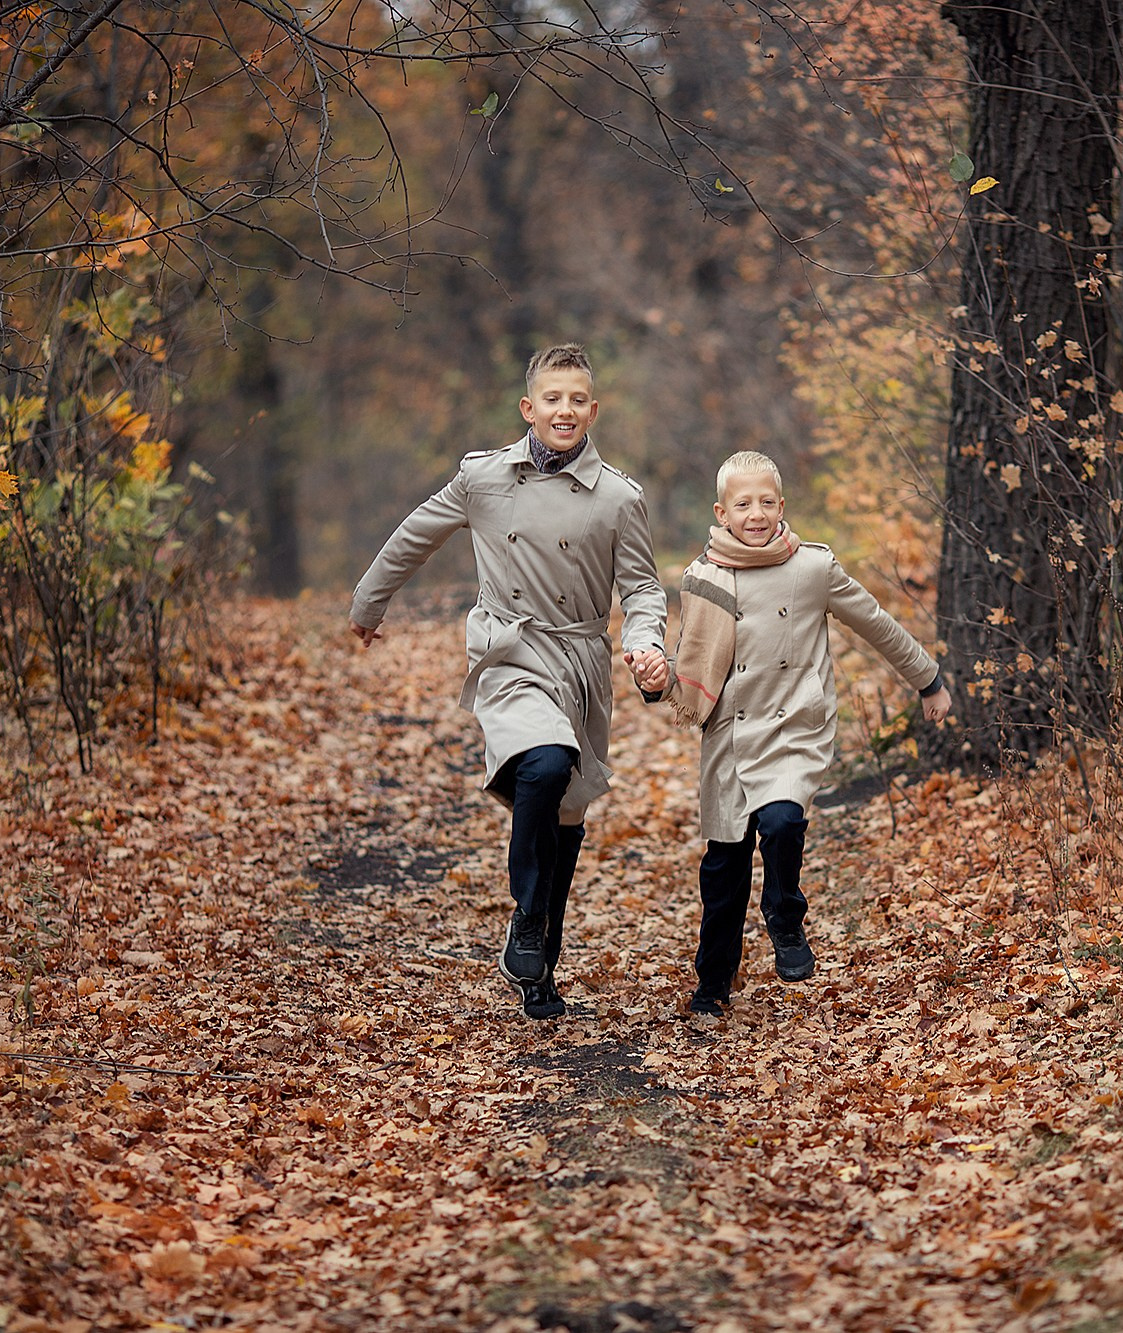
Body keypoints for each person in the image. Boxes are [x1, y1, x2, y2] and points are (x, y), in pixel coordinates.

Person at [350, 344, 666, 1020]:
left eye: (577, 399)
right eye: (552, 398)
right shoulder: (485, 478)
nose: (564, 410)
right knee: (545, 763)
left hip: (580, 660)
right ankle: (527, 913)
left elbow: (642, 587)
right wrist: (368, 604)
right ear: (529, 407)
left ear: (593, 411)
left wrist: (645, 644)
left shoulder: (619, 497)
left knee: (567, 816)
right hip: (510, 650)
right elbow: (416, 534)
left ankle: (540, 962)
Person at [628, 451, 950, 1016]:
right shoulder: (703, 577)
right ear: (722, 513)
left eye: (765, 502)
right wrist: (656, 681)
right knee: (724, 869)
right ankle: (713, 982)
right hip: (729, 734)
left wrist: (928, 679)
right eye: (742, 504)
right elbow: (693, 664)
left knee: (781, 822)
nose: (755, 514)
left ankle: (784, 913)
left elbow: (875, 622)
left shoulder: (812, 568)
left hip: (792, 727)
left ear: (781, 506)